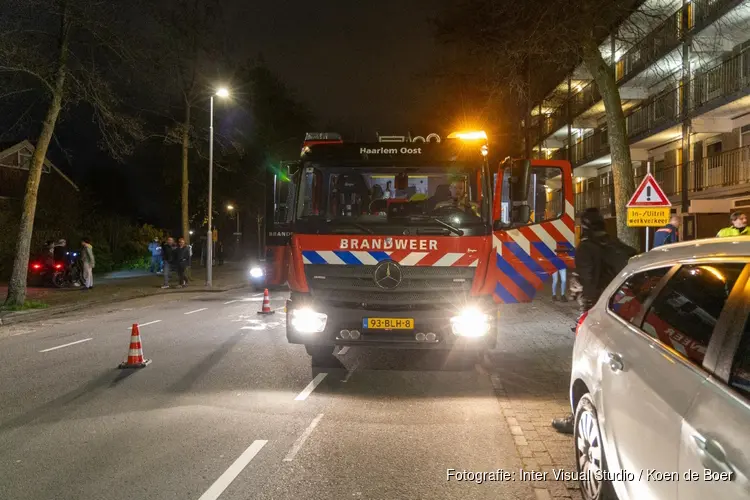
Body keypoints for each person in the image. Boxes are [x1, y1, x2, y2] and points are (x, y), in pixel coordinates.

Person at [551, 208, 637, 434]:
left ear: (585, 226)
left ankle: (578, 416)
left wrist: (583, 302)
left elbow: (589, 284)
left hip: (597, 311)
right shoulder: (618, 246)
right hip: (623, 310)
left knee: (585, 362)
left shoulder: (587, 248)